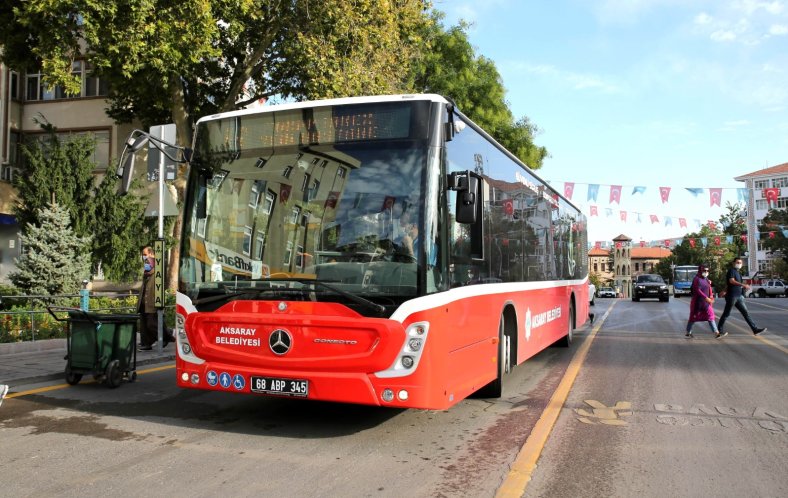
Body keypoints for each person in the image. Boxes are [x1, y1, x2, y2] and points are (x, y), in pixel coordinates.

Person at [137, 246, 175, 350]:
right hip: (144, 302)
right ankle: (146, 343)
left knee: (152, 324)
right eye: (143, 255)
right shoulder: (147, 271)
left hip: (153, 302)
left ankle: (166, 336)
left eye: (145, 255)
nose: (144, 257)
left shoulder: (158, 271)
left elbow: (160, 286)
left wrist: (159, 303)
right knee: (144, 325)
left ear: (152, 255)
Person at [717, 257, 766, 336]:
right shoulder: (731, 271)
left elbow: (729, 285)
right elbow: (731, 281)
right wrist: (743, 285)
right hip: (732, 296)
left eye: (740, 263)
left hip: (739, 297)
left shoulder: (738, 273)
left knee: (746, 313)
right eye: (737, 262)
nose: (739, 264)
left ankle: (755, 330)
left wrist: (726, 290)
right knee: (726, 314)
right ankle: (719, 331)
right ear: (733, 263)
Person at [685, 264, 723, 339]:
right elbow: (697, 290)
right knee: (693, 317)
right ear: (700, 270)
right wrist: (706, 298)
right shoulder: (696, 279)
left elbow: (709, 289)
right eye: (704, 270)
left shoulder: (706, 279)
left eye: (707, 271)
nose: (706, 272)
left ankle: (716, 333)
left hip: (706, 303)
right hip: (697, 303)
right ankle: (688, 332)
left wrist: (711, 297)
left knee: (711, 316)